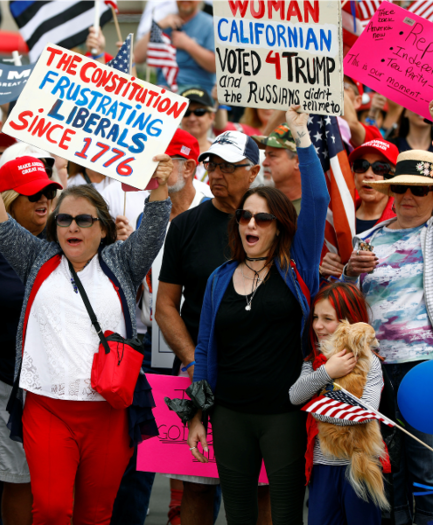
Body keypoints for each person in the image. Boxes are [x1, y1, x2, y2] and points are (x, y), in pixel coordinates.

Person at [0, 134, 172, 524]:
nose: (72, 227)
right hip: (46, 408)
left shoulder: (123, 261)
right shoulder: (35, 257)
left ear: (103, 226)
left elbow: (153, 230)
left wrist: (160, 183)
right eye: (64, 219)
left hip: (108, 413)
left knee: (95, 514)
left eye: (83, 219)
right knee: (50, 509)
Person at [186, 106, 329, 524]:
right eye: (245, 216)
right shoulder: (219, 278)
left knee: (285, 516)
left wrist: (302, 138)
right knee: (240, 516)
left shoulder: (296, 268)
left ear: (279, 226)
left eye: (262, 218)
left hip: (284, 414)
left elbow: (317, 199)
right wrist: (197, 413)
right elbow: (207, 348)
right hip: (229, 415)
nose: (251, 223)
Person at [342, 85, 433, 525]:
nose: (409, 195)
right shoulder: (366, 239)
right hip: (374, 372)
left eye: (421, 189)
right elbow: (345, 306)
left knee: (430, 471)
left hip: (429, 366)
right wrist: (349, 272)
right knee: (386, 473)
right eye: (402, 186)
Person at [156, 130, 261, 524]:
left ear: (253, 172)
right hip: (197, 373)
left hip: (257, 376)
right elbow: (166, 305)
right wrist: (192, 362)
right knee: (196, 489)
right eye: (211, 164)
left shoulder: (271, 219)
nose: (216, 174)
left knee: (258, 490)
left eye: (228, 167)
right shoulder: (185, 226)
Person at [111, 128, 211, 525]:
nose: (157, 170)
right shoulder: (146, 212)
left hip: (197, 343)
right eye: (155, 161)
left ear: (188, 166)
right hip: (152, 343)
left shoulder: (212, 208)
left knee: (200, 460)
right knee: (144, 450)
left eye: (165, 162)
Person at [0, 157, 62, 525]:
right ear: (6, 200)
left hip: (58, 383)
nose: (44, 200)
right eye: (33, 194)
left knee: (56, 483)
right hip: (1, 379)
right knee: (15, 480)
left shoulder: (65, 238)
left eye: (49, 192)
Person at [289, 282, 384, 525]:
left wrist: (319, 409)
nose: (318, 325)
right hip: (323, 465)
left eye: (327, 319)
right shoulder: (315, 362)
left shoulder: (370, 363)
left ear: (348, 323)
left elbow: (364, 413)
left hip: (360, 465)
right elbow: (295, 396)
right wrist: (328, 372)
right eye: (315, 317)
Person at [319, 139, 398, 279]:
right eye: (361, 166)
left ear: (395, 176)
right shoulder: (335, 217)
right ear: (353, 173)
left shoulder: (403, 220)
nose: (368, 174)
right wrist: (323, 269)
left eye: (380, 168)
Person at [133, 0, 215, 94]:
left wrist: (189, 45)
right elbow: (137, 57)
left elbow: (215, 66)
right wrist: (159, 26)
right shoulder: (166, 21)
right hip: (164, 89)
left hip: (197, 91)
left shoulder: (210, 24)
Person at [253, 123, 302, 214]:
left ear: (297, 161)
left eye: (272, 156)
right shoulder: (254, 203)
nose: (264, 163)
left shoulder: (316, 208)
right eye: (265, 155)